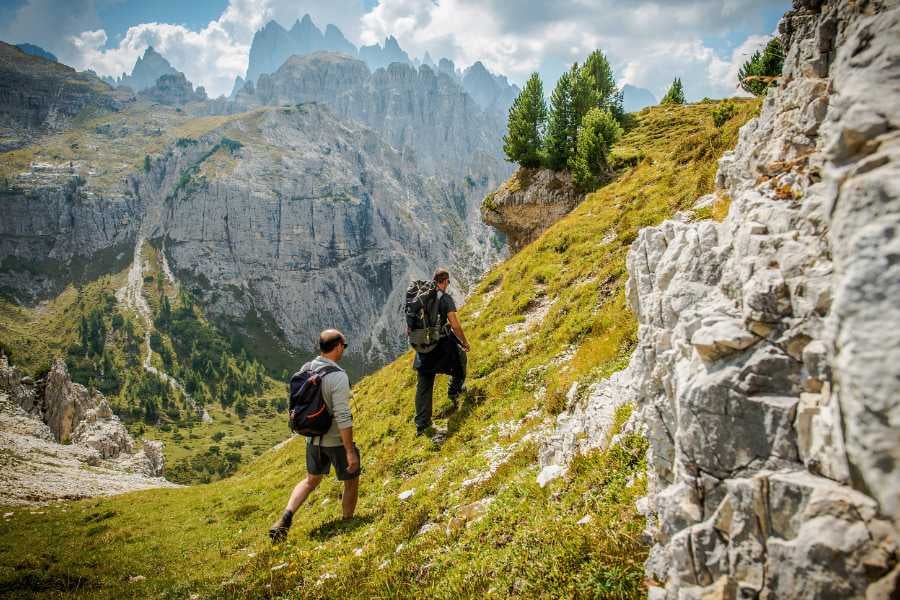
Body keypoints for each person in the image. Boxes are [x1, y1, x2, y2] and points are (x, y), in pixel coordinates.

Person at [269, 329, 360, 543]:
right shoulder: (338, 376)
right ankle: (347, 522)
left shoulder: (306, 368)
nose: (343, 350)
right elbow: (342, 416)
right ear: (337, 346)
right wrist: (349, 451)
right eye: (343, 347)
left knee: (311, 481)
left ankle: (286, 517)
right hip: (335, 440)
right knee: (351, 479)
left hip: (312, 438)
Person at [413, 268, 471, 436]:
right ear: (444, 281)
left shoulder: (420, 298)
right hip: (442, 345)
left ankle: (422, 425)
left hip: (423, 347)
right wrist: (465, 342)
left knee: (423, 384)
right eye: (448, 282)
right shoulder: (445, 299)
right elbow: (455, 325)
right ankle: (455, 391)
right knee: (460, 359)